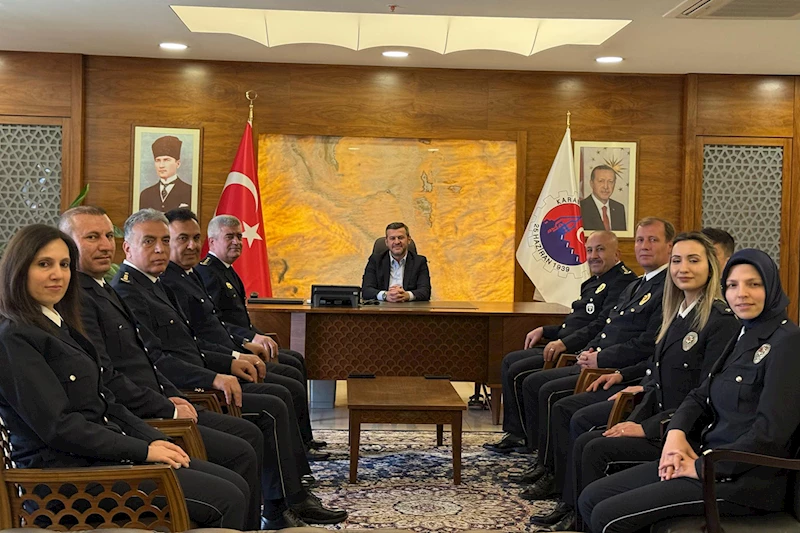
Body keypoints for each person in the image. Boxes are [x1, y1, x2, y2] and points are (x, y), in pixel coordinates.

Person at [0, 224, 249, 529]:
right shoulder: (14, 337)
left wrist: (154, 439)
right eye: (44, 264)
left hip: (102, 458)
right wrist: (142, 451)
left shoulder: (58, 324)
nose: (58, 274)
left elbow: (107, 403)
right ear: (18, 270)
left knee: (234, 482)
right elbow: (60, 427)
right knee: (227, 498)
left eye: (64, 264)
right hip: (68, 481)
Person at [111, 208, 348, 527]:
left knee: (280, 391)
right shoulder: (129, 291)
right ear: (127, 247)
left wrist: (229, 362)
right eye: (150, 241)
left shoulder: (154, 283)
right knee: (271, 407)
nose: (160, 249)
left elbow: (193, 341)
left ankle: (288, 498)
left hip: (191, 382)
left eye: (165, 241)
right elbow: (157, 361)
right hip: (186, 391)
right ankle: (282, 506)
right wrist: (214, 376)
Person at [59, 205, 269, 530]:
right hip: (136, 420)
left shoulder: (103, 289)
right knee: (239, 461)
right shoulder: (81, 299)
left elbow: (146, 358)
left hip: (152, 407)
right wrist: (167, 410)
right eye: (92, 237)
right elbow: (107, 381)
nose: (104, 245)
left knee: (242, 454)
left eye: (107, 236)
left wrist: (172, 396)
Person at [578, 248, 800, 532]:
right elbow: (700, 395)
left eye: (753, 284)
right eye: (732, 285)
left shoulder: (787, 342)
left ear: (771, 287)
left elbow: (770, 435)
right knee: (591, 497)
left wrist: (698, 467)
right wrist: (675, 434)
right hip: (705, 457)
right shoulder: (744, 333)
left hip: (742, 481)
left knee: (607, 515)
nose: (741, 294)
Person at [531, 232, 740, 531]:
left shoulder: (720, 321)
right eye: (677, 261)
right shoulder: (678, 314)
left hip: (683, 434)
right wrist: (637, 389)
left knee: (595, 448)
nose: (683, 268)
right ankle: (577, 514)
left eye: (694, 261)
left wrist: (646, 428)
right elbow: (659, 369)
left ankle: (582, 520)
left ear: (711, 267)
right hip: (657, 412)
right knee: (589, 441)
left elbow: (704, 396)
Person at [516, 217, 673, 499]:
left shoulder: (668, 290)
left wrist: (602, 358)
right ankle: (549, 466)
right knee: (542, 387)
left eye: (653, 240)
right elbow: (606, 327)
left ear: (670, 246)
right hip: (600, 363)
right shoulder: (637, 285)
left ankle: (555, 477)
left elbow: (646, 344)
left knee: (554, 397)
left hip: (620, 371)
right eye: (640, 240)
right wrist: (589, 350)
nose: (644, 246)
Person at [162, 208, 324, 456]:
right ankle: (297, 458)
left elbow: (224, 323)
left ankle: (300, 449)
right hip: (210, 369)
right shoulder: (188, 277)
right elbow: (197, 338)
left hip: (224, 355)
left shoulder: (195, 275)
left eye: (195, 238)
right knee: (284, 389)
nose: (192, 245)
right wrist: (236, 354)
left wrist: (246, 344)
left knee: (292, 368)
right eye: (183, 238)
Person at [484, 231, 637, 455]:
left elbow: (600, 326)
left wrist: (564, 343)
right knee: (510, 361)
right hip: (568, 343)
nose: (593, 256)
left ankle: (529, 439)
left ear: (617, 254)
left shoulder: (622, 282)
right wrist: (546, 330)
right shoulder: (594, 282)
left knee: (520, 371)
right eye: (589, 250)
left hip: (577, 350)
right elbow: (575, 322)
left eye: (600, 249)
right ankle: (518, 432)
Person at [196, 214, 314, 410]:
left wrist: (259, 336)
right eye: (229, 237)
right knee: (291, 376)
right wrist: (249, 339)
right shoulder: (207, 273)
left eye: (239, 236)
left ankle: (302, 430)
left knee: (296, 360)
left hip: (243, 343)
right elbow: (216, 323)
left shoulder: (227, 270)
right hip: (231, 349)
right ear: (212, 242)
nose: (236, 242)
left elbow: (242, 319)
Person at [362, 222, 431, 302]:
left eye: (400, 237)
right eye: (392, 238)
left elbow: (425, 291)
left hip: (409, 307)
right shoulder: (375, 261)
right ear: (386, 242)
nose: (397, 242)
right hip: (382, 307)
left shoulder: (419, 262)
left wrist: (407, 295)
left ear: (408, 240)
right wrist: (386, 295)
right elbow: (366, 290)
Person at [139, 135, 192, 212]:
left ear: (178, 164)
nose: (161, 165)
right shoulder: (146, 194)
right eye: (158, 160)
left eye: (166, 160)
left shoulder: (190, 191)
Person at [580, 165, 626, 231]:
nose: (606, 187)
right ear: (592, 183)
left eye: (610, 182)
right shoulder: (581, 208)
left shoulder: (619, 208)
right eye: (601, 181)